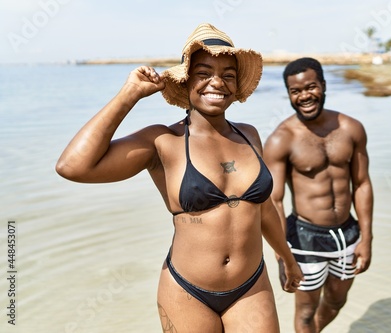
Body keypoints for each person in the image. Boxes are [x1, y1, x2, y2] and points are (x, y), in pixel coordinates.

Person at [56, 23, 303, 333]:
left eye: (228, 74)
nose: (217, 82)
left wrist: (287, 258)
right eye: (204, 73)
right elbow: (73, 166)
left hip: (252, 285)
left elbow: (262, 209)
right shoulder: (163, 142)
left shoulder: (249, 135)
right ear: (186, 81)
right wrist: (129, 96)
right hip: (188, 292)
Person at [263, 57, 374, 333]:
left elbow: (362, 184)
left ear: (323, 85)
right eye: (295, 91)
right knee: (305, 312)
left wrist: (366, 238)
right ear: (289, 94)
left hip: (348, 233)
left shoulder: (351, 128)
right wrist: (282, 255)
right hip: (304, 237)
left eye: (310, 87)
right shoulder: (281, 138)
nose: (304, 96)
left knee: (337, 300)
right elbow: (273, 200)